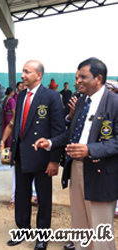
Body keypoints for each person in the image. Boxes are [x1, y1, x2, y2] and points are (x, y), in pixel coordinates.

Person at [35, 58, 118, 250]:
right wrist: (50, 142)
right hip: (77, 169)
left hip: (101, 174)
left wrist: (91, 149)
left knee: (100, 230)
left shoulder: (114, 103)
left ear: (98, 79)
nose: (77, 81)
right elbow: (72, 134)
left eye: (83, 77)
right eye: (76, 77)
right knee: (80, 226)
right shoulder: (81, 102)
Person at [6, 60, 65, 250]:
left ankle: (42, 236)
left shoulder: (51, 96)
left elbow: (58, 130)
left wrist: (54, 160)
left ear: (38, 75)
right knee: (21, 195)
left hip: (42, 157)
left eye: (27, 72)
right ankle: (22, 229)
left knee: (43, 198)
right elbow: (18, 125)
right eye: (22, 71)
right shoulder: (21, 95)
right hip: (21, 155)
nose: (22, 75)